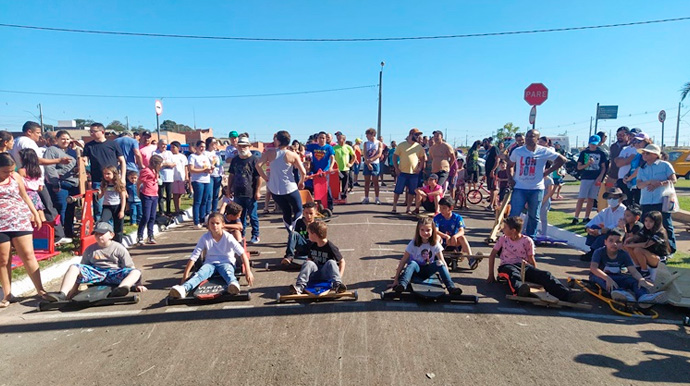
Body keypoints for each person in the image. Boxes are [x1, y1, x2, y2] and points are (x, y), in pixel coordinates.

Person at [486, 216, 584, 302]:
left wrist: (535, 273)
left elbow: (531, 259)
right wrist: (491, 274)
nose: (502, 229)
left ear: (513, 230)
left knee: (546, 275)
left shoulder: (527, 241)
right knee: (512, 273)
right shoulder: (503, 239)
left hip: (524, 266)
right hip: (506, 266)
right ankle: (519, 290)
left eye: (505, 227)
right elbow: (492, 255)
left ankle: (567, 295)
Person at [44, 222, 146, 302]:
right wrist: (74, 290)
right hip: (97, 275)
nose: (98, 236)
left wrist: (138, 284)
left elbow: (130, 267)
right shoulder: (90, 249)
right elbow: (81, 270)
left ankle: (122, 289)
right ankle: (63, 294)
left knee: (136, 272)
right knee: (74, 267)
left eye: (101, 233)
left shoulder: (119, 248)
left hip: (114, 274)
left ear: (111, 235)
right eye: (96, 234)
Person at [10, 121, 71, 243]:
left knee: (40, 212)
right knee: (47, 209)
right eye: (37, 133)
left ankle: (44, 236)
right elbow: (36, 159)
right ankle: (55, 235)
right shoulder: (26, 142)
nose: (39, 136)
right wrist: (58, 160)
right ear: (29, 132)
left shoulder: (16, 141)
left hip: (32, 185)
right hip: (33, 187)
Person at [0, 152, 47, 307]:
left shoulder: (15, 177)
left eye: (11, 170)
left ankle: (40, 289)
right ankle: (7, 294)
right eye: (5, 171)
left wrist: (35, 213)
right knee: (3, 259)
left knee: (28, 254)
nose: (9, 173)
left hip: (19, 220)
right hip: (1, 224)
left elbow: (25, 196)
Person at [169, 213, 253, 299]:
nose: (214, 226)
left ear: (223, 225)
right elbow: (194, 257)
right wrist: (185, 276)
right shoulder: (204, 238)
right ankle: (183, 289)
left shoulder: (228, 237)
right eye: (212, 223)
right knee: (200, 275)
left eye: (217, 223)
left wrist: (248, 271)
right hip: (209, 264)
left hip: (226, 262)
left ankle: (233, 285)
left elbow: (242, 253)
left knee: (228, 272)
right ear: (208, 225)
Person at [506, 129, 566, 240]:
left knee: (534, 215)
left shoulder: (544, 151)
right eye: (527, 136)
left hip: (536, 188)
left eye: (532, 136)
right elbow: (509, 165)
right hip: (520, 187)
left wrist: (546, 173)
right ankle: (510, 238)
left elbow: (562, 160)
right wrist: (511, 179)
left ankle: (530, 239)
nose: (528, 138)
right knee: (514, 214)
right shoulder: (518, 151)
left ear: (537, 139)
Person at [589, 229, 666, 305]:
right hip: (600, 276)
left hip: (616, 277)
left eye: (618, 242)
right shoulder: (599, 252)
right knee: (604, 281)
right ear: (605, 242)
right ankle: (622, 294)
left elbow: (633, 271)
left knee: (634, 281)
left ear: (622, 244)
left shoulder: (623, 254)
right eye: (611, 241)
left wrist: (641, 279)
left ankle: (643, 296)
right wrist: (607, 278)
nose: (614, 244)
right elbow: (593, 268)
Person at [390, 217, 462, 294]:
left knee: (439, 263)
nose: (425, 233)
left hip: (428, 270)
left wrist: (447, 277)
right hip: (415, 270)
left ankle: (451, 287)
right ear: (418, 230)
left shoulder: (435, 243)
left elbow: (443, 262)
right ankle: (402, 285)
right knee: (412, 263)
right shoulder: (413, 243)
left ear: (433, 231)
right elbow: (403, 261)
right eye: (422, 230)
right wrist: (395, 280)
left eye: (428, 230)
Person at [257, 130, 307, 232]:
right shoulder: (292, 155)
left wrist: (266, 178)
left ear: (278, 140)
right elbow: (303, 172)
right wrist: (301, 182)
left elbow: (257, 165)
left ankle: (290, 232)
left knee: (286, 211)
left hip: (275, 189)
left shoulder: (269, 153)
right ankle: (295, 232)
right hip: (290, 188)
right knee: (298, 210)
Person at [636, 143, 677, 255]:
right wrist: (649, 182)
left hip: (661, 200)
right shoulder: (642, 168)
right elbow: (639, 185)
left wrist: (660, 183)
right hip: (646, 200)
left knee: (666, 224)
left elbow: (673, 180)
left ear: (655, 154)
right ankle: (649, 247)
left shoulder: (665, 165)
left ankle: (670, 249)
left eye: (647, 153)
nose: (644, 155)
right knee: (646, 225)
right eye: (643, 153)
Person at [288, 221, 347, 295]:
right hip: (314, 274)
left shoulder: (331, 247)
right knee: (308, 263)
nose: (308, 235)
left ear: (314, 235)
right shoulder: (312, 245)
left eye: (309, 233)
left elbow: (342, 262)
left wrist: (339, 277)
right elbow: (309, 260)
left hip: (326, 275)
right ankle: (299, 287)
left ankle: (338, 285)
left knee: (331, 262)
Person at [83, 123, 126, 221]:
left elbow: (122, 161)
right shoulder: (89, 146)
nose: (92, 133)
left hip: (113, 180)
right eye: (91, 131)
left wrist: (122, 178)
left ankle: (112, 228)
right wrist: (83, 162)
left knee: (114, 204)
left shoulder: (113, 144)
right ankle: (100, 228)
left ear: (102, 132)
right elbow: (85, 159)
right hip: (98, 180)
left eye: (94, 131)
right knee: (99, 206)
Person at [228, 136, 261, 244]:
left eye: (244, 146)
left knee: (253, 215)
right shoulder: (235, 160)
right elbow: (231, 175)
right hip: (237, 193)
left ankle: (255, 235)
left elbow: (258, 177)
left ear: (249, 146)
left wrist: (257, 191)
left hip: (250, 193)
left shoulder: (254, 160)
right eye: (240, 146)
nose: (242, 148)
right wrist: (229, 188)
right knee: (239, 216)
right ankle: (241, 236)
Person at [581, 188, 627, 261]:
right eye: (610, 197)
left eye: (615, 197)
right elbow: (594, 220)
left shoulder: (624, 211)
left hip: (618, 234)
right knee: (593, 227)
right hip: (605, 232)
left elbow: (617, 226)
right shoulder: (606, 211)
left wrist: (600, 231)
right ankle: (593, 251)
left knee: (604, 236)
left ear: (620, 199)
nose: (612, 199)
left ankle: (593, 252)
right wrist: (588, 228)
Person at [572, 135, 608, 224]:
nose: (593, 146)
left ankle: (586, 217)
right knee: (581, 197)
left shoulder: (601, 153)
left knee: (591, 198)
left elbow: (603, 167)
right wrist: (587, 164)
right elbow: (579, 167)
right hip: (586, 177)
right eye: (591, 144)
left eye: (595, 144)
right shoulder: (584, 153)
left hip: (596, 178)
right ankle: (576, 217)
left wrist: (600, 177)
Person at [624, 211, 669, 281]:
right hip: (648, 255)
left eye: (651, 221)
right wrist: (629, 240)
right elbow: (636, 237)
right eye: (646, 221)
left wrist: (630, 245)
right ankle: (638, 267)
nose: (647, 223)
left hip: (659, 259)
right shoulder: (645, 229)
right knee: (630, 247)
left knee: (637, 249)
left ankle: (645, 272)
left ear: (656, 222)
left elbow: (645, 245)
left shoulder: (660, 232)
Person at [392, 128, 426, 214]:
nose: (418, 137)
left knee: (412, 191)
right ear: (411, 135)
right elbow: (394, 156)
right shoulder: (402, 145)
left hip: (414, 173)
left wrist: (419, 168)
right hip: (402, 172)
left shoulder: (419, 147)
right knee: (398, 190)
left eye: (419, 135)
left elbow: (422, 159)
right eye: (416, 135)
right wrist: (396, 168)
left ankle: (408, 208)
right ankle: (394, 207)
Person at [306, 132, 336, 211]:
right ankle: (315, 207)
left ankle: (329, 207)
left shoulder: (329, 148)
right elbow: (302, 148)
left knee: (326, 189)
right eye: (320, 138)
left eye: (323, 138)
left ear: (326, 139)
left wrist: (331, 167)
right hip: (315, 171)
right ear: (317, 139)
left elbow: (333, 158)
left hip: (325, 172)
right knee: (314, 189)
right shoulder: (313, 146)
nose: (322, 139)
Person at [137, 155, 162, 245]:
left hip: (154, 195)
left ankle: (150, 235)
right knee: (146, 216)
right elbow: (139, 183)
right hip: (147, 195)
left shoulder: (155, 171)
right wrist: (138, 193)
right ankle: (140, 236)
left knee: (152, 216)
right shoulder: (146, 171)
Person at [188, 141, 213, 228]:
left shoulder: (205, 157)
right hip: (197, 181)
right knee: (198, 201)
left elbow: (208, 168)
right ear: (196, 147)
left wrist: (210, 169)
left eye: (204, 147)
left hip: (207, 180)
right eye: (201, 146)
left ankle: (202, 220)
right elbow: (191, 169)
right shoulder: (192, 156)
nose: (202, 148)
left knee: (205, 201)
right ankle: (196, 221)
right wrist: (203, 170)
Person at [98, 166, 126, 243]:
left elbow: (123, 197)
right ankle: (107, 238)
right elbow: (100, 196)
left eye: (108, 174)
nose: (106, 176)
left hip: (117, 206)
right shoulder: (103, 184)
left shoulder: (119, 184)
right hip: (107, 206)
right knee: (104, 221)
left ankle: (118, 243)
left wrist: (122, 210)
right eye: (104, 174)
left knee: (118, 227)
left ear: (114, 174)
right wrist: (99, 193)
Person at [17, 149, 46, 223]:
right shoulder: (38, 170)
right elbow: (40, 188)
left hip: (26, 194)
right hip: (35, 194)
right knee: (40, 212)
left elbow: (19, 184)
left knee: (31, 214)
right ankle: (44, 229)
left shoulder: (21, 171)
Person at [361, 128, 383, 205]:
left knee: (375, 182)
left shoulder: (379, 143)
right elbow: (365, 153)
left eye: (368, 135)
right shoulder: (366, 143)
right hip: (367, 164)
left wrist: (371, 160)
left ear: (373, 135)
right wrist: (368, 163)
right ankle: (366, 198)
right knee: (367, 182)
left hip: (375, 163)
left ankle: (377, 198)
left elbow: (379, 154)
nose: (366, 136)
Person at [154, 140, 174, 216]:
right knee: (161, 195)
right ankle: (161, 211)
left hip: (169, 177)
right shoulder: (155, 153)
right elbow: (157, 164)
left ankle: (168, 211)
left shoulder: (169, 153)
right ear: (159, 144)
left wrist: (164, 164)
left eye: (166, 144)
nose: (164, 146)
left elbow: (173, 164)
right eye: (162, 144)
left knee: (169, 195)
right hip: (160, 177)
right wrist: (167, 164)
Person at [333, 133, 356, 200]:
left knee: (345, 183)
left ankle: (344, 196)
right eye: (338, 138)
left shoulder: (348, 147)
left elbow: (354, 156)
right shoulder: (334, 148)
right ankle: (336, 196)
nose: (338, 140)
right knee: (336, 183)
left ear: (344, 139)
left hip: (345, 169)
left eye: (340, 138)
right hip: (337, 169)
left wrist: (350, 163)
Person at [168, 141, 188, 215]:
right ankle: (176, 209)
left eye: (173, 147)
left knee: (180, 194)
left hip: (181, 177)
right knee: (175, 194)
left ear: (178, 148)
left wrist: (186, 176)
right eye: (171, 147)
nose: (172, 149)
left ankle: (178, 208)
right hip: (173, 177)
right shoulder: (170, 156)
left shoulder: (183, 156)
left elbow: (186, 167)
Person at [205, 137, 224, 213]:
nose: (215, 145)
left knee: (216, 195)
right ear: (209, 144)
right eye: (213, 143)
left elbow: (221, 164)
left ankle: (214, 211)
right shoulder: (205, 153)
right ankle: (208, 212)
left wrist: (223, 174)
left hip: (218, 175)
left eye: (216, 143)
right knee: (209, 195)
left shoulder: (217, 153)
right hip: (209, 176)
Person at [483, 137, 499, 211]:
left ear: (487, 142)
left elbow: (497, 160)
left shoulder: (494, 149)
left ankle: (491, 205)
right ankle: (494, 204)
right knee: (491, 188)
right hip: (488, 172)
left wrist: (493, 170)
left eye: (484, 144)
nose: (483, 145)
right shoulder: (488, 150)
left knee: (493, 189)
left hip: (493, 172)